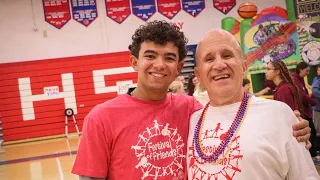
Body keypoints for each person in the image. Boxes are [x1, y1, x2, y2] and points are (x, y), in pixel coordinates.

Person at [72, 21, 311, 180]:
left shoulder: (191, 109)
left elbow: (235, 118)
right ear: (134, 62)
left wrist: (295, 130)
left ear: (178, 68)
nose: (159, 64)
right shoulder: (101, 118)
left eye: (168, 58)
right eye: (150, 56)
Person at [187, 29, 319, 179]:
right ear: (199, 75)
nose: (219, 65)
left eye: (227, 55)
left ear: (243, 68)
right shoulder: (192, 120)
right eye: (209, 59)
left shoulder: (278, 114)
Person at [293, 61, 317, 157]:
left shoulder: (300, 79)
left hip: (306, 110)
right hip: (302, 112)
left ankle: (313, 154)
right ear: (300, 69)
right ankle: (312, 155)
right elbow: (303, 97)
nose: (308, 73)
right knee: (311, 133)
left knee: (311, 132)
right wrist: (312, 100)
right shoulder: (295, 80)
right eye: (306, 71)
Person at [312, 64, 320, 136]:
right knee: (318, 127)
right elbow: (315, 91)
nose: (318, 71)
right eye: (318, 70)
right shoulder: (317, 80)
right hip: (318, 107)